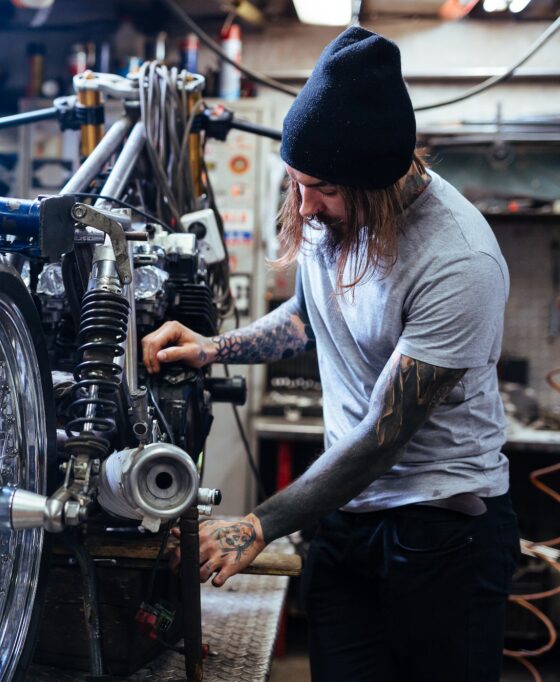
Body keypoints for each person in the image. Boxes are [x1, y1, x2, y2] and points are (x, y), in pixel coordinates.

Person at [141, 26, 520, 682]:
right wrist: (213, 349)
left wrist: (259, 524)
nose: (306, 206)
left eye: (322, 189)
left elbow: (381, 436)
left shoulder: (458, 259)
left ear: (378, 181)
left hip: (442, 536)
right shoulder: (329, 215)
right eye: (297, 182)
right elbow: (312, 317)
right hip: (347, 516)